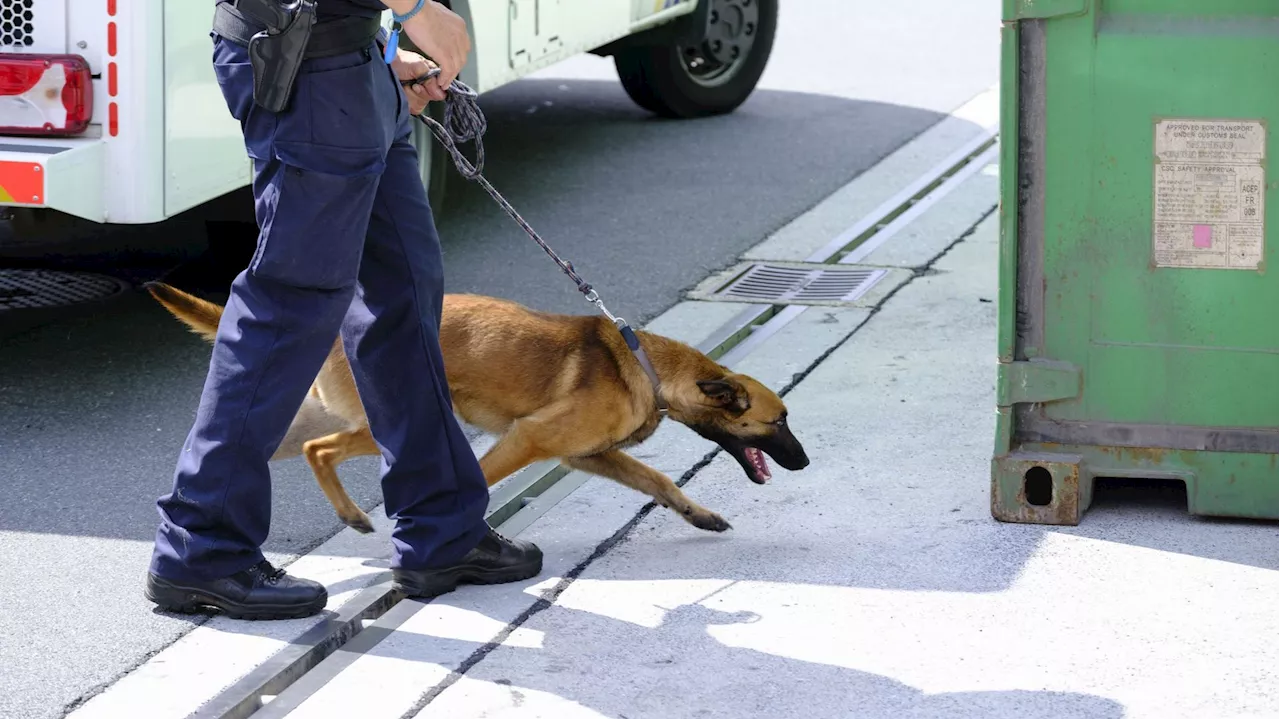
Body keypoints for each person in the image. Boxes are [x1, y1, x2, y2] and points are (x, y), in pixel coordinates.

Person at [143, 0, 542, 620]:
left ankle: (442, 531)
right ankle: (201, 548)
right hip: (308, 70)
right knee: (288, 307)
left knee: (403, 293)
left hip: (349, 63)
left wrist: (380, 48)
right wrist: (414, 9)